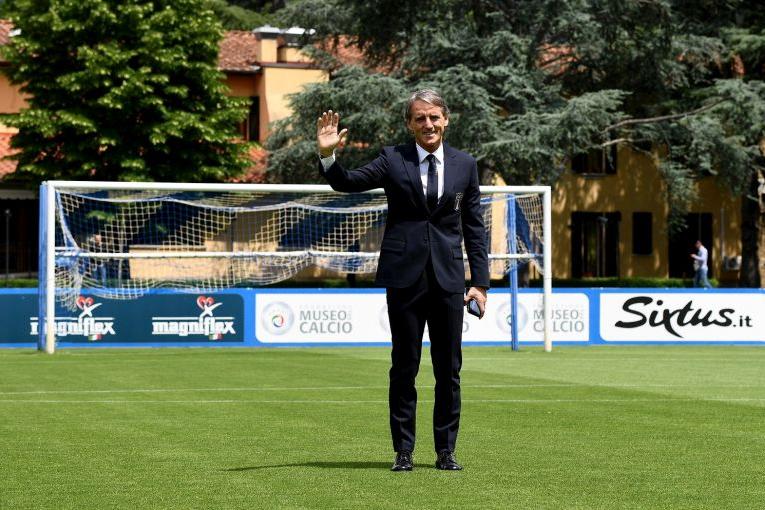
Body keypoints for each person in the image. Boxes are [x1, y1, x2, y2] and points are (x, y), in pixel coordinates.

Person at [316, 89, 489, 472]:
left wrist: (480, 282)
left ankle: (446, 451)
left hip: (448, 281)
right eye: (419, 118)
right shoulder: (392, 158)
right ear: (409, 124)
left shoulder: (466, 164)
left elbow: (474, 227)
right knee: (404, 366)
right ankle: (404, 452)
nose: (428, 124)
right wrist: (329, 156)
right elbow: (348, 182)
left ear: (446, 119)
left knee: (449, 369)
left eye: (434, 117)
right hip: (405, 279)